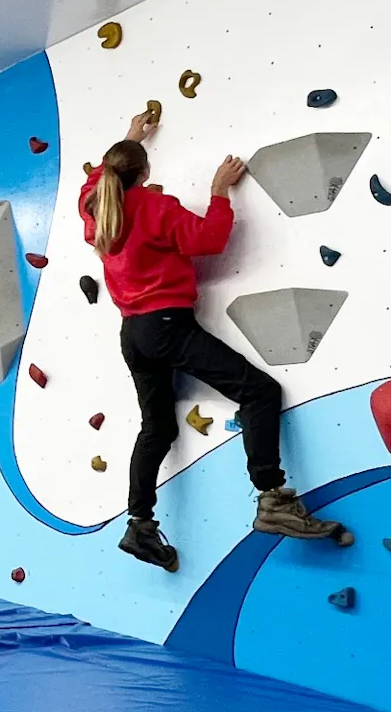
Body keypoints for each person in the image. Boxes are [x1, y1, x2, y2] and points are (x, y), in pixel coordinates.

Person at [80, 108, 351, 571]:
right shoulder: (154, 207)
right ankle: (272, 496)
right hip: (167, 326)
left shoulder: (95, 207)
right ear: (144, 174)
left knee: (157, 429)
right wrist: (218, 190)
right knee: (260, 391)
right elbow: (209, 239)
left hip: (134, 334)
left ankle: (140, 523)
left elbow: (102, 177)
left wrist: (129, 137)